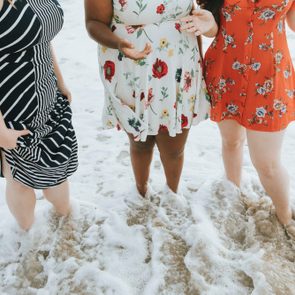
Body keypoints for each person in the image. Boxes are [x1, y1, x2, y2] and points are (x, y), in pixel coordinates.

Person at [181, 0, 295, 236]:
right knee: (231, 141)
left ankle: (285, 218)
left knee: (268, 164)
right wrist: (207, 24)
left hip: (269, 76)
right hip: (226, 70)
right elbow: (213, 26)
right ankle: (234, 195)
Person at [84, 0, 212, 200]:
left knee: (174, 147)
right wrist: (119, 44)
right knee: (140, 142)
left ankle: (172, 199)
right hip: (130, 67)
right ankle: (141, 194)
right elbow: (94, 22)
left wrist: (201, 64)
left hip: (180, 65)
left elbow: (195, 13)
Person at [0, 0, 78, 231]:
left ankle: (66, 225)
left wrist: (59, 79)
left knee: (57, 173)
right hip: (13, 111)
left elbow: (41, 34)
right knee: (20, 180)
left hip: (49, 97)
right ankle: (29, 239)